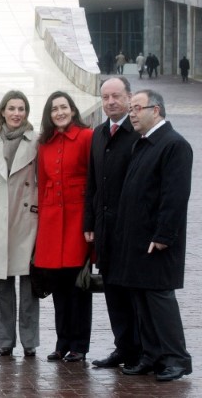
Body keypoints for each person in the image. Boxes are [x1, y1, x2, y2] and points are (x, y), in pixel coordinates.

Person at [111, 89, 193, 381]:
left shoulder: (174, 145)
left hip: (156, 242)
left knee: (160, 300)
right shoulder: (144, 144)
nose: (131, 113)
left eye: (137, 108)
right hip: (135, 241)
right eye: (131, 108)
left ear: (155, 110)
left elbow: (175, 196)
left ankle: (177, 358)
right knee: (141, 299)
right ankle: (152, 355)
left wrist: (163, 236)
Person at [84, 77, 141, 369]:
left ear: (129, 97)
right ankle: (123, 347)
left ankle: (140, 351)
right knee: (113, 292)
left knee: (133, 293)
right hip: (104, 229)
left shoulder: (139, 134)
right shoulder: (98, 134)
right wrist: (89, 222)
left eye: (116, 96)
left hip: (131, 229)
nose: (110, 102)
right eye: (105, 97)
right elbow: (92, 183)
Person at [0, 90, 39, 357]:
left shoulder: (36, 141)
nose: (16, 114)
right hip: (0, 218)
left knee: (29, 286)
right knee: (3, 286)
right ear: (2, 111)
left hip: (27, 219)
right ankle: (5, 340)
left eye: (21, 109)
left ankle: (29, 341)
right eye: (12, 108)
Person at [34, 91, 93, 362]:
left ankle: (79, 344)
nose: (59, 112)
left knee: (78, 286)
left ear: (72, 110)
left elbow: (93, 183)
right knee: (58, 287)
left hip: (77, 221)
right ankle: (62, 342)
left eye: (63, 107)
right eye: (54, 108)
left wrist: (91, 222)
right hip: (51, 223)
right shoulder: (44, 143)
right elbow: (42, 182)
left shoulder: (86, 137)